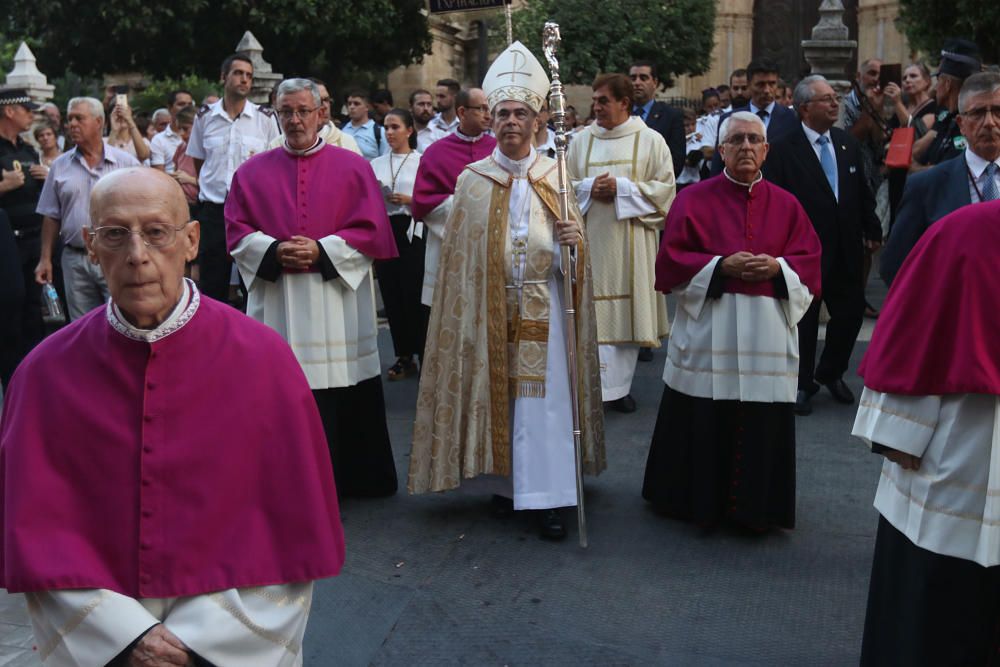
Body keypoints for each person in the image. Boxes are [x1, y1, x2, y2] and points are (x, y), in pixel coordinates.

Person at [1, 167, 345, 665]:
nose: (137, 255)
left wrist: (200, 640)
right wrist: (125, 636)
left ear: (191, 241)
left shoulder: (264, 362)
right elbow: (35, 536)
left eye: (157, 232)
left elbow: (291, 533)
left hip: (223, 641)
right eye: (115, 235)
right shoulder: (42, 376)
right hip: (107, 643)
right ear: (91, 248)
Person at [408, 41, 605, 541]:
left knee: (544, 402)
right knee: (501, 398)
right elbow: (460, 264)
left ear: (539, 119)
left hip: (546, 305)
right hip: (489, 309)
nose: (511, 121)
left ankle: (550, 496)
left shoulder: (556, 176)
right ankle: (510, 488)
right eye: (502, 113)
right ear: (490, 120)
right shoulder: (472, 181)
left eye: (521, 113)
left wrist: (572, 244)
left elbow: (578, 265)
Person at [643, 111, 821, 531]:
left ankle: (757, 509)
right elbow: (669, 261)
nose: (745, 147)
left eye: (754, 140)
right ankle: (694, 502)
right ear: (720, 149)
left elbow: (810, 264)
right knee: (703, 413)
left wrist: (779, 269)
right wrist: (720, 265)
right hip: (712, 330)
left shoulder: (788, 205)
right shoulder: (692, 199)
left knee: (760, 422)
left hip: (766, 334)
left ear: (766, 150)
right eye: (736, 140)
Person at [226, 78, 399, 498]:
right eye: (286, 111)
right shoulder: (250, 172)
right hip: (279, 298)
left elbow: (372, 230)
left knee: (345, 384)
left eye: (304, 110)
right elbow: (235, 231)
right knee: (283, 387)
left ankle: (353, 480)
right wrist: (274, 249)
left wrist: (323, 251)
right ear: (276, 114)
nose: (295, 119)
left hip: (335, 298)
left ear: (322, 113)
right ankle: (287, 483)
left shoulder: (353, 166)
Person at [851, 198, 1000, 666]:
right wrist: (900, 427)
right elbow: (915, 322)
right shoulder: (968, 230)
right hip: (967, 441)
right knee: (939, 598)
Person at [762, 76, 881, 416]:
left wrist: (871, 226)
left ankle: (830, 372)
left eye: (834, 98)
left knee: (850, 313)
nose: (834, 104)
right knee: (805, 319)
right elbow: (776, 200)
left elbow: (861, 190)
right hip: (804, 250)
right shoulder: (783, 149)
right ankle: (802, 383)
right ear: (804, 108)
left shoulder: (846, 143)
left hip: (846, 247)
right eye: (826, 99)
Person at [566, 72, 676, 413]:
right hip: (590, 241)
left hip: (632, 243)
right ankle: (591, 388)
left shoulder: (651, 140)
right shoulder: (581, 140)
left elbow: (666, 190)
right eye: (594, 101)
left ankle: (619, 389)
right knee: (590, 317)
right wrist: (589, 189)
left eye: (603, 101)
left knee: (626, 319)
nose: (595, 107)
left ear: (624, 103)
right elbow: (562, 185)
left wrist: (622, 190)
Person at [880, 71, 1000, 286]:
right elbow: (895, 266)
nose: (990, 122)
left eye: (998, 112)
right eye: (978, 113)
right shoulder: (927, 186)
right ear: (961, 124)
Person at [186, 52, 280, 305]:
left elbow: (274, 166)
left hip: (253, 212)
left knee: (255, 283)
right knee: (212, 282)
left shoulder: (265, 119)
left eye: (249, 75)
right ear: (223, 77)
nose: (244, 80)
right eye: (238, 73)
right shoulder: (205, 117)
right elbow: (199, 161)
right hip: (214, 210)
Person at [34, 97, 141, 320]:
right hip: (74, 258)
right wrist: (45, 258)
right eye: (69, 118)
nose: (71, 124)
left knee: (125, 319)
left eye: (79, 118)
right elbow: (51, 215)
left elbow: (141, 208)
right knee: (82, 326)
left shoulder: (126, 163)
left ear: (99, 122)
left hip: (116, 255)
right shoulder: (60, 166)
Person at [411, 87, 496, 310]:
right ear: (462, 112)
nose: (489, 115)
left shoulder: (498, 150)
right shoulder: (436, 152)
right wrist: (470, 206)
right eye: (482, 109)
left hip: (492, 245)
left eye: (491, 109)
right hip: (448, 246)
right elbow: (423, 203)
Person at [371, 109, 424, 380]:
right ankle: (403, 355)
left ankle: (424, 352)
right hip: (387, 230)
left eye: (395, 127)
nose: (389, 132)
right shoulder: (376, 164)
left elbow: (432, 200)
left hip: (413, 231)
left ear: (409, 131)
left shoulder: (422, 162)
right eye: (386, 127)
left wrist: (410, 200)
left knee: (415, 293)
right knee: (392, 295)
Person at [0, 90, 48, 378]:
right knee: (11, 306)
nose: (32, 115)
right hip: (7, 244)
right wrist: (4, 187)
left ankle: (33, 370)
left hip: (34, 239)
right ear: (8, 111)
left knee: (34, 307)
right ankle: (11, 372)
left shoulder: (28, 150)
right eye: (26, 109)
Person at [710, 61, 799, 174]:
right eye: (760, 84)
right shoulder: (730, 120)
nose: (767, 90)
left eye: (772, 84)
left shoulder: (792, 119)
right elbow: (718, 165)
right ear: (749, 84)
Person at [883, 62, 938, 227]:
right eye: (904, 77)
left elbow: (917, 132)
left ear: (927, 81)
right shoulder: (904, 107)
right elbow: (885, 135)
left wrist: (897, 103)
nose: (907, 81)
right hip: (896, 173)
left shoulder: (933, 107)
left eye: (913, 76)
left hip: (915, 173)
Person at [913, 39, 982, 168]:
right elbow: (922, 155)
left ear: (948, 84)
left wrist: (912, 169)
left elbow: (947, 173)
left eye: (938, 78)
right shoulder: (947, 118)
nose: (935, 86)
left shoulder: (970, 123)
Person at [269, 79, 362, 155]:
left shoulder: (346, 143)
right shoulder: (276, 145)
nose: (324, 106)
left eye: (326, 100)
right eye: (319, 101)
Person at [629, 60, 686, 176]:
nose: (637, 83)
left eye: (643, 78)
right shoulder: (619, 115)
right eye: (633, 78)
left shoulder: (671, 116)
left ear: (655, 82)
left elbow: (676, 162)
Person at [149, 89, 194, 173]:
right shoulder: (159, 140)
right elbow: (159, 175)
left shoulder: (203, 137)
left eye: (190, 104)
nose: (187, 107)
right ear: (169, 108)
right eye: (181, 104)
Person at [168, 105, 200, 217]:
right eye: (179, 129)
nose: (182, 134)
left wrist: (190, 180)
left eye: (185, 129)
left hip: (202, 206)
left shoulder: (210, 150)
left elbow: (216, 185)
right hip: (183, 204)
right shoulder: (181, 148)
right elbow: (176, 171)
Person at [342, 91, 389, 161]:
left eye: (356, 104)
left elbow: (386, 159)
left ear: (367, 107)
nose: (352, 107)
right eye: (349, 104)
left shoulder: (380, 132)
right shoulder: (341, 130)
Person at [105, 97, 152, 163]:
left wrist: (130, 122)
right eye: (117, 111)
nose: (122, 115)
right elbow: (106, 158)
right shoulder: (104, 142)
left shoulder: (142, 141)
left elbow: (143, 156)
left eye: (125, 111)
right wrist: (114, 131)